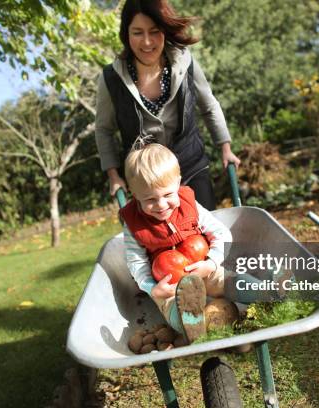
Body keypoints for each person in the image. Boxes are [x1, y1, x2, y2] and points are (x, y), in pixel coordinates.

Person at [95, 0, 240, 211]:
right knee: (157, 243)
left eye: (154, 31)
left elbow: (209, 105)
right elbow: (103, 129)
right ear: (126, 34)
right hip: (145, 180)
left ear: (165, 30)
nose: (146, 42)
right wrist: (113, 175)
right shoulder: (111, 78)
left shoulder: (185, 61)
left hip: (191, 167)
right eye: (137, 32)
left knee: (205, 235)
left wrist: (225, 148)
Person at [119, 143, 232, 343]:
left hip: (203, 266)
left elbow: (222, 233)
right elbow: (135, 262)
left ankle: (264, 289)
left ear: (178, 183)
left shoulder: (189, 204)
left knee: (226, 280)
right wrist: (152, 287)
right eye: (150, 199)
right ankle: (192, 326)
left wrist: (212, 262)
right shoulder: (133, 224)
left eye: (168, 195)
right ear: (135, 196)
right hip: (168, 284)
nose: (161, 205)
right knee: (170, 305)